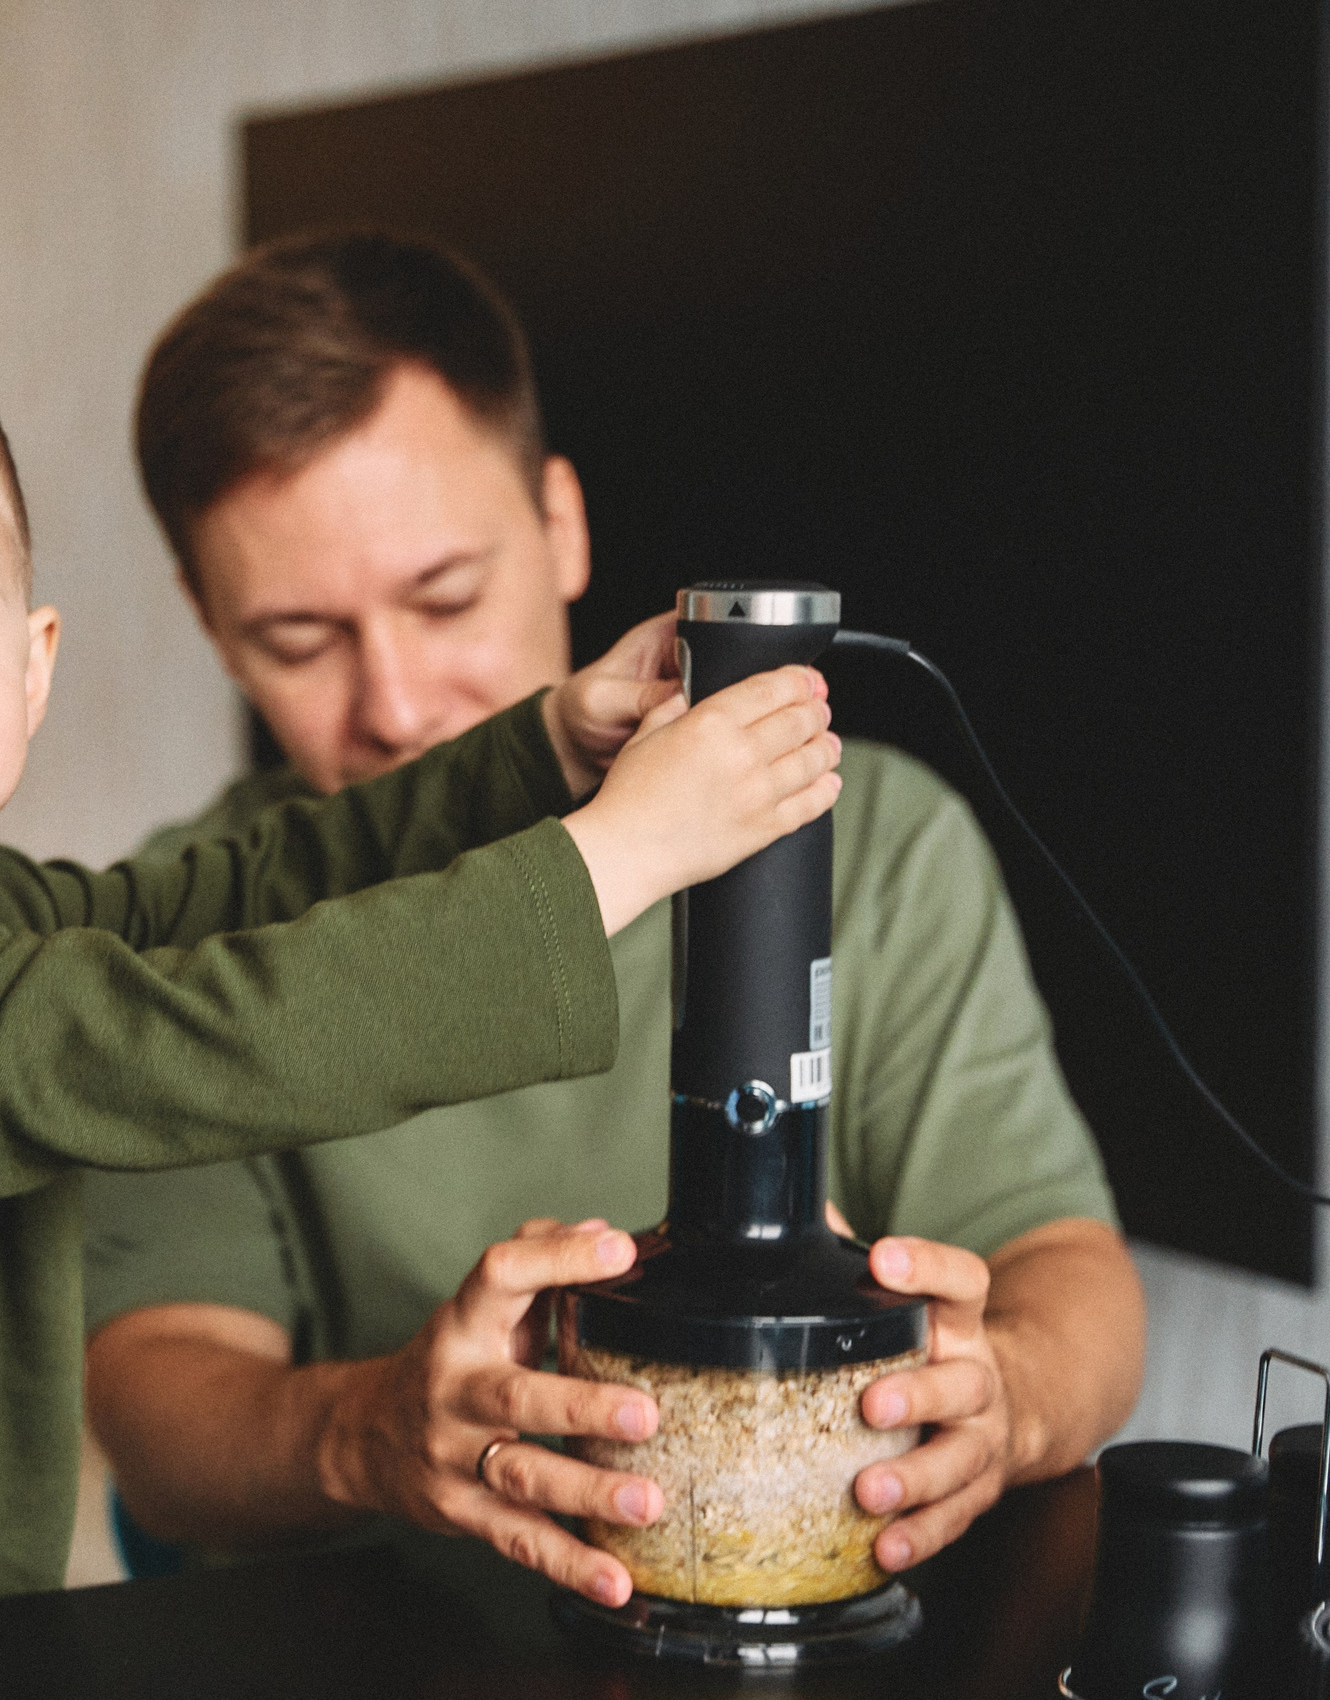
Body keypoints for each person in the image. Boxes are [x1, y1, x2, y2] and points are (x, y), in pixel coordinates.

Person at [0, 291, 842, 1661]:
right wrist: (624, 852)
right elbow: (198, 1032)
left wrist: (539, 750)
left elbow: (228, 898)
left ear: (32, 661)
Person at [81, 230, 1148, 1607]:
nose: (397, 703)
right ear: (211, 625)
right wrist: (373, 1428)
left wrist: (1011, 1394)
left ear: (563, 523)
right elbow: (160, 1402)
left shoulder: (874, 838)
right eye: (298, 638)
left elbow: (1071, 1272)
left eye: (446, 595)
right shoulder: (187, 929)